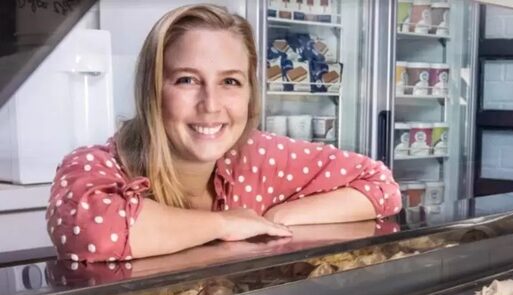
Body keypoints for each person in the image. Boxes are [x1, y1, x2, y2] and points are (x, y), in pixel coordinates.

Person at [45, 4, 401, 263]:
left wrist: (278, 217)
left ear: (250, 93)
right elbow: (93, 231)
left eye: (230, 81)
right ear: (152, 90)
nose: (211, 104)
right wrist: (224, 223)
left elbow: (380, 186)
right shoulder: (94, 165)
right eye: (186, 80)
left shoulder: (257, 154)